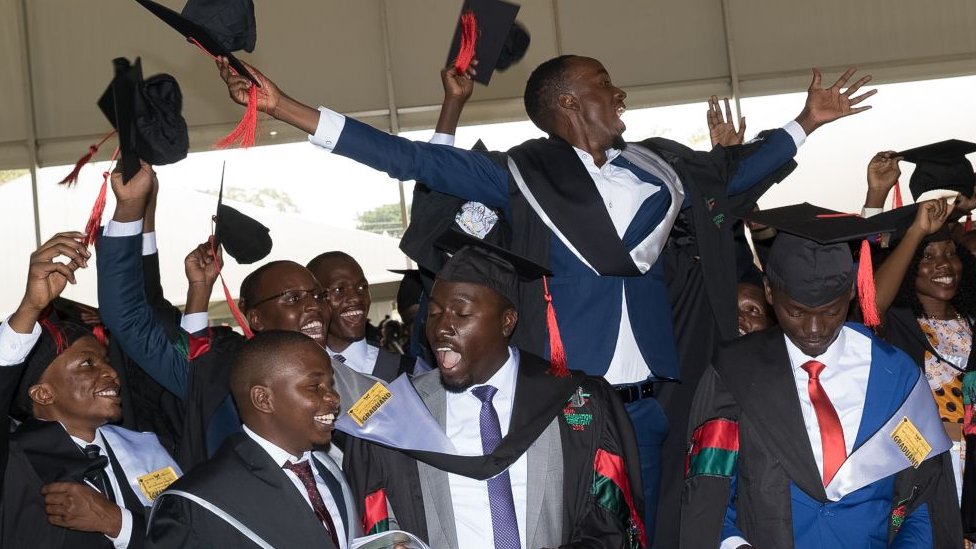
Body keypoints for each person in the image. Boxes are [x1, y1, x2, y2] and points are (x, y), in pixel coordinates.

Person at [216, 54, 874, 541]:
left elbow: (733, 175)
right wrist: (287, 107)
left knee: (670, 523)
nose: (619, 93)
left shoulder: (658, 168)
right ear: (567, 105)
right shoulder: (521, 177)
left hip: (655, 401)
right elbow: (408, 157)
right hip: (562, 407)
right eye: (601, 87)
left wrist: (805, 123)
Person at [680, 218, 962, 549]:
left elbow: (924, 495)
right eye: (797, 313)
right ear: (770, 292)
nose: (814, 329)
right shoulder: (735, 376)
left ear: (851, 292)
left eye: (830, 312)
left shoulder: (897, 377)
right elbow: (708, 490)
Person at [343, 241, 644, 549]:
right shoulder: (397, 414)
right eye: (434, 313)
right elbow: (377, 521)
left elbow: (608, 519)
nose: (441, 328)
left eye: (461, 313)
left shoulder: (575, 401)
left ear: (506, 322)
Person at [95, 162, 375, 469]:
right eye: (293, 298)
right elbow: (129, 314)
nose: (314, 306)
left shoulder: (354, 381)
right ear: (255, 319)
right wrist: (134, 208)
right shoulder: (224, 375)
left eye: (318, 295)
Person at [0, 232, 180, 549]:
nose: (110, 372)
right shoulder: (14, 462)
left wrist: (117, 523)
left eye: (105, 361)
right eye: (87, 363)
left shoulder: (146, 447)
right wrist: (30, 308)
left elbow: (190, 536)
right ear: (42, 393)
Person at [146, 330, 359, 548]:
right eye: (315, 387)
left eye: (330, 384)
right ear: (263, 399)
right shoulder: (197, 503)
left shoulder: (328, 470)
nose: (334, 397)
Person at [873, 199, 976, 539]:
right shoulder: (900, 330)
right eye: (927, 257)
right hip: (931, 473)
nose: (943, 265)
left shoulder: (972, 323)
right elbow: (872, 303)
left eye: (949, 253)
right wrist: (916, 232)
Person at [307, 251, 415, 380]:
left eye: (362, 287)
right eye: (339, 289)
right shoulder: (299, 375)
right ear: (314, 299)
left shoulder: (408, 371)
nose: (356, 298)